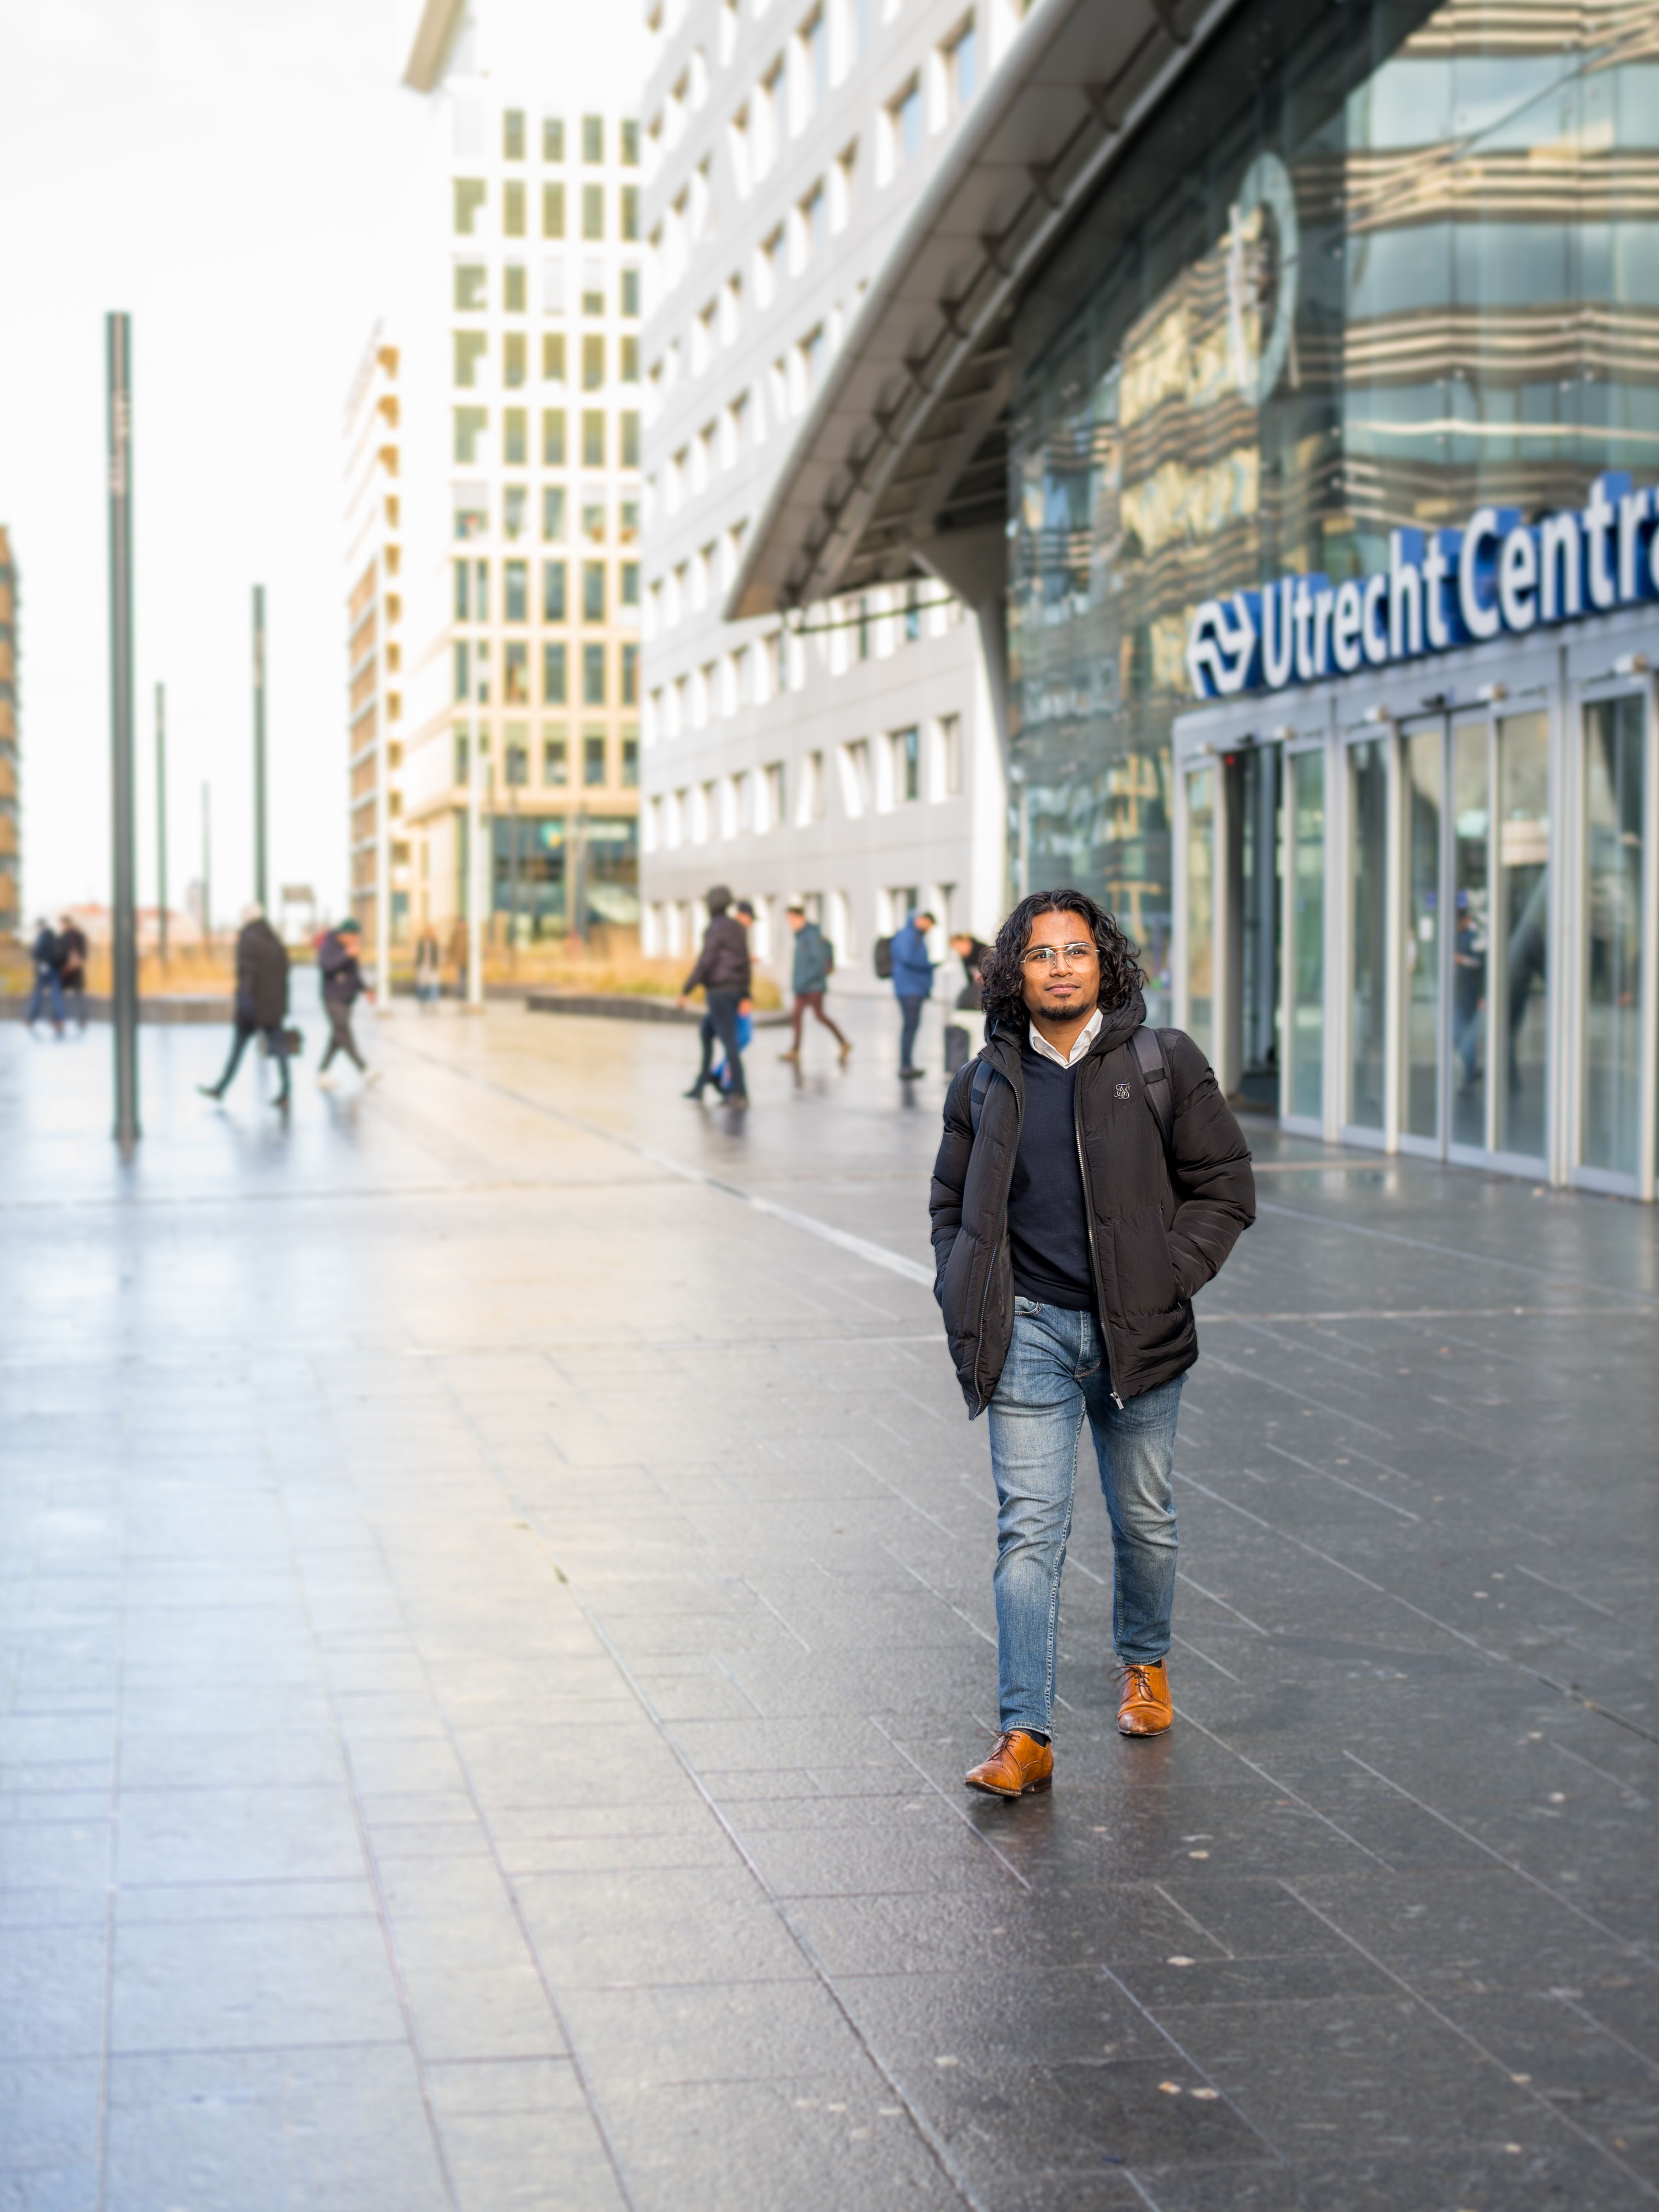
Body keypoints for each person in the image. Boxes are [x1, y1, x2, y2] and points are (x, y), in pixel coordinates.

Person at [929, 890, 1255, 1800]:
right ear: (1013, 972)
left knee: (1144, 1519)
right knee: (1028, 1532)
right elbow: (949, 1207)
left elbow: (1226, 1183)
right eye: (1042, 954)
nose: (1062, 966)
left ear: (1104, 962)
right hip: (1027, 1330)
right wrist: (962, 1283)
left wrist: (1168, 1274)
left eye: (1077, 950)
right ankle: (1024, 1733)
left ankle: (1144, 1666)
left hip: (1137, 1333)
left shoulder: (1161, 1061)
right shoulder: (987, 1080)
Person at [199, 903, 292, 1108]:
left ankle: (221, 1088)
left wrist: (245, 1000)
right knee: (280, 1048)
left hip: (253, 1008)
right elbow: (285, 972)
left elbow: (247, 973)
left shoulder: (249, 941)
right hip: (274, 1007)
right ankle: (286, 1092)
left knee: (238, 1048)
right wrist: (284, 1005)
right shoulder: (275, 940)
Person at [677, 884, 752, 1105]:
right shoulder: (738, 928)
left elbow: (706, 962)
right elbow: (745, 964)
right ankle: (703, 1084)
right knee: (707, 1033)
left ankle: (738, 1092)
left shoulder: (714, 929)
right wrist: (745, 995)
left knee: (729, 1042)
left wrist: (687, 989)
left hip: (719, 994)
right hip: (734, 992)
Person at [778, 903, 851, 1064]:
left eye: (791, 919)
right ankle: (795, 1050)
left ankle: (844, 1042)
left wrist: (803, 981)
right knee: (798, 1016)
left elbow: (817, 963)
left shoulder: (810, 936)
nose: (789, 923)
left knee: (820, 1016)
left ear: (800, 918)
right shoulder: (801, 936)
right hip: (804, 986)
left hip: (812, 987)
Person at [317, 919, 378, 1088]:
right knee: (343, 1032)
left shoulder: (350, 950)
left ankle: (322, 1072)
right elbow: (326, 966)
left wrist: (366, 990)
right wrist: (346, 955)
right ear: (344, 935)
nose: (354, 940)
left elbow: (354, 974)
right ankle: (364, 1068)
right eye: (352, 937)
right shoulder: (329, 946)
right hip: (333, 998)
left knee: (338, 1036)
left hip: (348, 998)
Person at [889, 909, 935, 1078]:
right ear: (921, 920)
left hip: (912, 988)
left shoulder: (913, 935)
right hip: (910, 989)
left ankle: (907, 1064)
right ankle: (905, 1066)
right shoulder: (908, 935)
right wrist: (930, 965)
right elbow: (908, 958)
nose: (929, 928)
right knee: (910, 1026)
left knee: (911, 1026)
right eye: (929, 924)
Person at [26, 919, 65, 1035]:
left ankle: (31, 1019)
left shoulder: (42, 937)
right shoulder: (54, 936)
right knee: (56, 995)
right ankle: (59, 1020)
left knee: (37, 995)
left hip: (43, 970)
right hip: (55, 969)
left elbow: (36, 952)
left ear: (40, 927)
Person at [57, 917, 88, 1030]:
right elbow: (84, 956)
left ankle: (59, 1019)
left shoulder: (64, 937)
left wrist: (66, 967)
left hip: (67, 972)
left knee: (60, 996)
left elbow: (60, 955)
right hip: (76, 972)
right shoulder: (79, 936)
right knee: (78, 997)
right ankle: (81, 1019)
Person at [949, 930, 990, 1011]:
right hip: (978, 990)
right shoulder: (965, 958)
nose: (958, 951)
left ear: (966, 942)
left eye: (958, 947)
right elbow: (970, 980)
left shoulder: (983, 950)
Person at [414, 928, 442, 1011]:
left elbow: (439, 955)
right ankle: (423, 1002)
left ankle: (434, 1003)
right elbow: (417, 954)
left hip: (433, 967)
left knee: (434, 985)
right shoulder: (421, 943)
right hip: (423, 966)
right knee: (423, 985)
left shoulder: (435, 943)